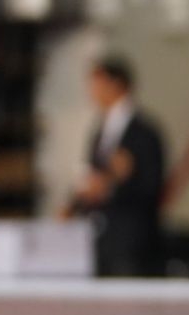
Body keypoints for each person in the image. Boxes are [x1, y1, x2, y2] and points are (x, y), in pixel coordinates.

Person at [68, 56, 167, 278]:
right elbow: (93, 173)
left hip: (132, 242)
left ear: (116, 84)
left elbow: (152, 186)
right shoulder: (99, 130)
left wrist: (114, 185)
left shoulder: (145, 132)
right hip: (101, 239)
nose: (91, 91)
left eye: (97, 83)